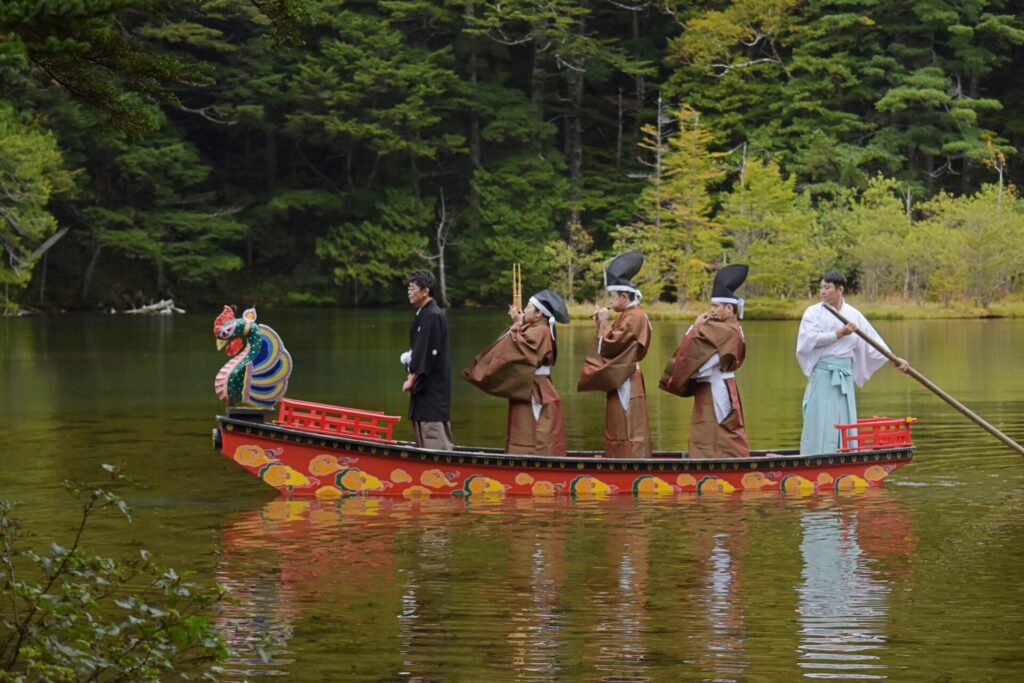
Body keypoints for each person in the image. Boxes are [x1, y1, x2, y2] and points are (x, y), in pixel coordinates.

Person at [797, 270, 909, 455]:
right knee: (821, 417)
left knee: (844, 416)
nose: (823, 292)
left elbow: (873, 342)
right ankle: (816, 454)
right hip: (824, 373)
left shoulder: (853, 314)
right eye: (821, 288)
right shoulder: (813, 312)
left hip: (844, 374)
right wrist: (839, 333)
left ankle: (844, 453)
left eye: (827, 288)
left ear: (840, 289)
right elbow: (809, 340)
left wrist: (893, 359)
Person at [462, 289, 570, 455]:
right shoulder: (536, 328)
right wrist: (518, 324)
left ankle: (532, 463)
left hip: (534, 388)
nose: (524, 310)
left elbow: (518, 349)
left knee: (532, 428)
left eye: (528, 307)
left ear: (539, 313)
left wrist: (517, 325)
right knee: (524, 425)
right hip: (529, 384)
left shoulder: (540, 331)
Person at [660, 264, 750, 457]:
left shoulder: (728, 330)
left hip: (716, 385)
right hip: (713, 384)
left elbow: (704, 362)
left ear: (729, 308)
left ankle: (721, 465)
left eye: (716, 306)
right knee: (708, 428)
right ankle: (711, 462)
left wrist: (695, 329)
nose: (713, 311)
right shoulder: (725, 328)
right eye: (712, 306)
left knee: (716, 427)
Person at [577, 252, 653, 458]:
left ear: (624, 297)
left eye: (612, 296)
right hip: (621, 375)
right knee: (618, 420)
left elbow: (612, 344)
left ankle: (628, 460)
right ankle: (620, 457)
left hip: (626, 376)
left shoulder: (634, 317)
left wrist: (603, 322)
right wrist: (602, 324)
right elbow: (614, 341)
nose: (609, 301)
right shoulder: (627, 316)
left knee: (625, 420)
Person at [401, 269, 453, 450]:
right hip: (423, 389)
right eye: (409, 288)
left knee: (433, 436)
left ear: (425, 291)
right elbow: (418, 351)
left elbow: (425, 355)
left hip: (433, 389)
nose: (409, 291)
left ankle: (444, 475)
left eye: (413, 288)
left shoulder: (433, 315)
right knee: (422, 434)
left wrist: (411, 379)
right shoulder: (423, 314)